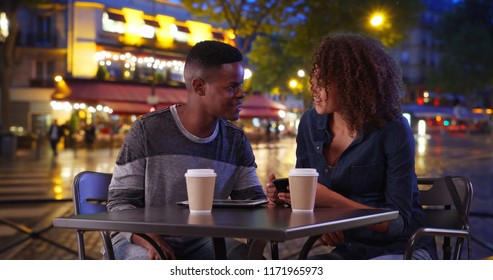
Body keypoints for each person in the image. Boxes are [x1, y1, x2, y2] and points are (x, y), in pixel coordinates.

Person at [265, 33, 438, 260]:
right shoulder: (310, 123)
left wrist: (332, 202)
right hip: (350, 250)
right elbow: (309, 201)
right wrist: (285, 200)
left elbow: (400, 223)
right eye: (313, 78)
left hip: (404, 249)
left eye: (322, 80)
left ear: (351, 83)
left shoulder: (393, 128)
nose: (312, 88)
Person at [107, 40, 266, 260]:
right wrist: (152, 240)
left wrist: (273, 202)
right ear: (199, 86)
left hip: (203, 240)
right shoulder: (148, 130)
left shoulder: (235, 140)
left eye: (241, 86)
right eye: (231, 87)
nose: (241, 94)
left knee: (246, 260)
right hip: (138, 238)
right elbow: (120, 203)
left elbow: (253, 204)